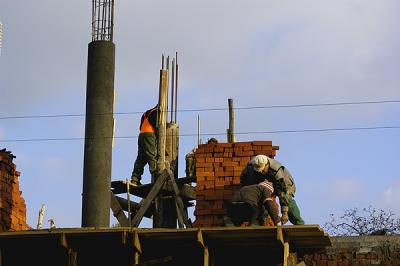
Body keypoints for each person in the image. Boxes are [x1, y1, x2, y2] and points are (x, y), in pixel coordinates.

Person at [240, 154, 304, 225]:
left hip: (284, 186)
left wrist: (284, 213)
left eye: (263, 170)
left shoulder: (277, 172)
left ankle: (300, 224)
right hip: (262, 182)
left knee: (289, 203)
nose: (261, 172)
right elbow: (244, 183)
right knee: (259, 202)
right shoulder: (250, 167)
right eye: (259, 171)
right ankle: (260, 224)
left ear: (267, 165)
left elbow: (284, 193)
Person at [130, 105, 158, 186]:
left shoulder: (146, 113)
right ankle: (156, 177)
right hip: (149, 135)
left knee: (141, 158)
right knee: (152, 156)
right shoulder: (158, 112)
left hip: (141, 135)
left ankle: (135, 179)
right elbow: (158, 127)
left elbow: (140, 127)